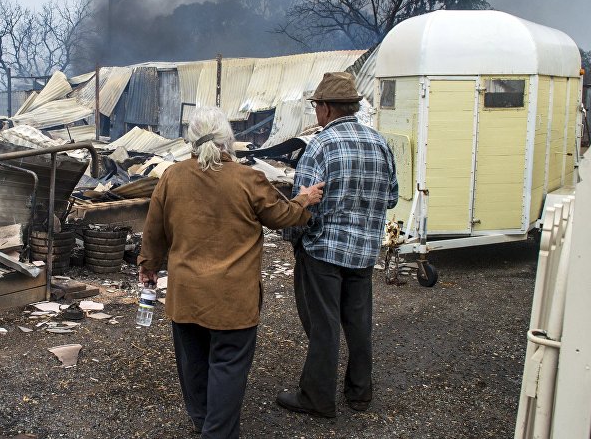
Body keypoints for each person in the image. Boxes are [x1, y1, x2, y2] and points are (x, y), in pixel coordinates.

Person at [137, 106, 324, 439]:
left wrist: (148, 268)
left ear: (191, 142)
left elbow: (153, 232)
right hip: (233, 300)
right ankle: (218, 432)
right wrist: (304, 201)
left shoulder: (172, 177)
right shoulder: (248, 179)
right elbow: (282, 216)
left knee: (193, 362)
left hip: (186, 295)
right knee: (227, 365)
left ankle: (202, 420)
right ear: (228, 141)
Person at [276, 72, 398, 418]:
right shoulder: (380, 143)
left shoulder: (320, 146)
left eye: (317, 107)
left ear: (327, 108)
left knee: (323, 324)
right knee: (359, 323)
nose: (317, 113)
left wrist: (295, 241)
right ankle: (360, 392)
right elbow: (390, 197)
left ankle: (316, 397)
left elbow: (303, 205)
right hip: (363, 252)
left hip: (323, 252)